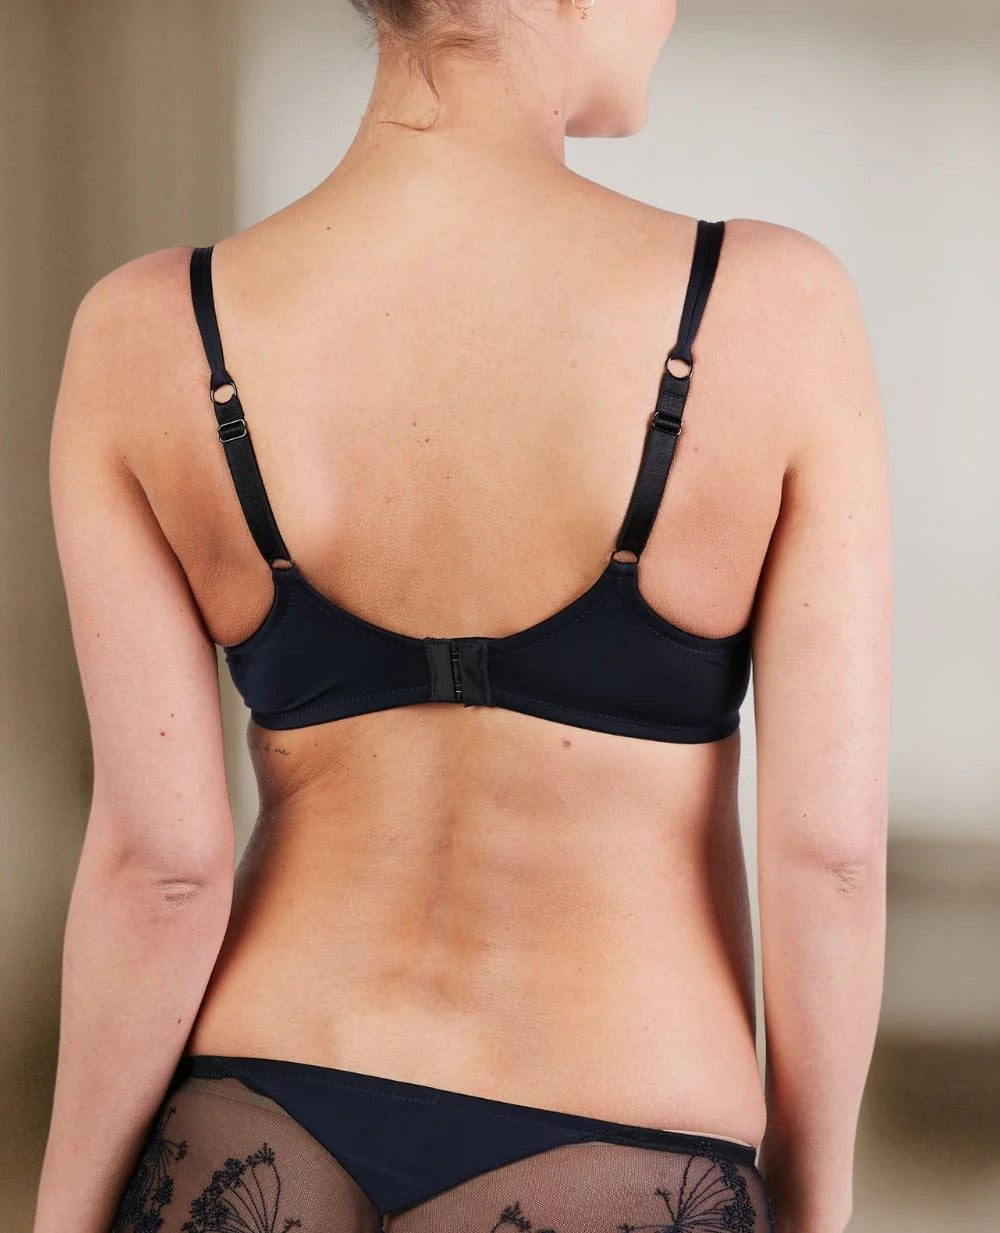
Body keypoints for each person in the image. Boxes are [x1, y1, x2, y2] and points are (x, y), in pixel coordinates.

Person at [35, 1, 892, 1232]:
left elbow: (161, 870)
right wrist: (809, 1202)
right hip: (627, 1142)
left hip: (259, 1111)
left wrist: (67, 1214)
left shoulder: (148, 329)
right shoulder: (771, 309)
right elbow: (831, 860)